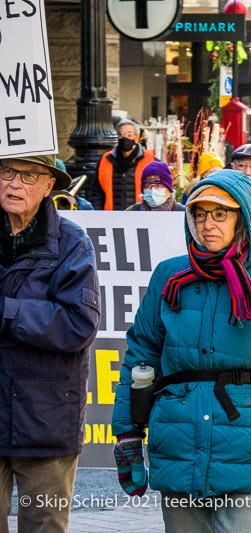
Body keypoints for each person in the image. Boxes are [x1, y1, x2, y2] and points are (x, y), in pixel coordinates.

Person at [111, 170, 251, 532]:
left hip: (248, 444)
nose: (208, 223)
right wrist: (128, 433)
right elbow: (140, 357)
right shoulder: (168, 277)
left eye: (220, 213)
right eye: (200, 213)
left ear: (244, 218)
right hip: (178, 441)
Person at [0, 154, 101, 532]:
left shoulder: (72, 243)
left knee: (44, 526)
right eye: (7, 172)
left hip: (45, 420)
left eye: (28, 175)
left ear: (48, 187)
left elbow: (78, 325)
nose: (14, 183)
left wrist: (7, 312)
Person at [85, 119, 155, 210]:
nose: (124, 138)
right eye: (121, 134)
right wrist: (100, 215)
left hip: (140, 218)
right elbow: (96, 193)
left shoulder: (150, 161)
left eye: (129, 134)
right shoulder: (105, 160)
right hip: (111, 218)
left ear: (137, 138)